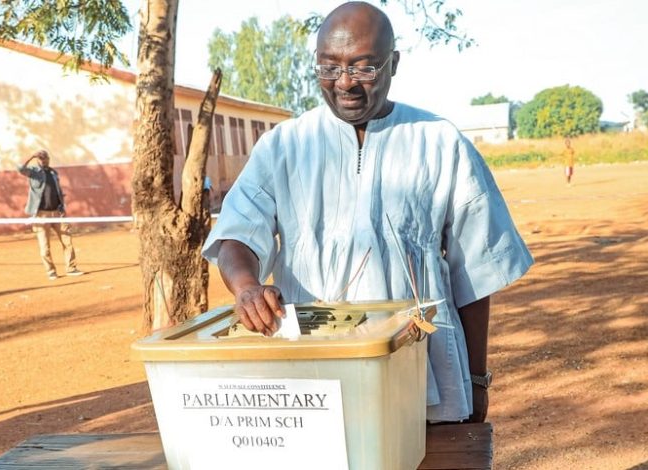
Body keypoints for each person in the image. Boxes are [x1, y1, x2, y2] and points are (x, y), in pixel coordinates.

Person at [201, 1, 533, 424]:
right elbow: (237, 236)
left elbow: (477, 273)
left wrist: (477, 378)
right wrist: (247, 286)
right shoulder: (283, 147)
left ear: (393, 63)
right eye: (329, 67)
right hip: (312, 372)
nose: (345, 83)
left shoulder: (439, 143)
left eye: (364, 68)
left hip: (422, 369)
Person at [18, 150, 84, 280]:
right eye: (41, 158)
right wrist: (31, 156)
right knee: (45, 245)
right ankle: (51, 271)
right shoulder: (33, 172)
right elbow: (20, 168)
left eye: (45, 158)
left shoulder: (53, 173)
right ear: (37, 160)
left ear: (48, 159)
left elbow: (58, 190)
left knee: (67, 241)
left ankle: (71, 268)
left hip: (57, 213)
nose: (43, 160)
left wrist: (62, 205)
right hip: (41, 214)